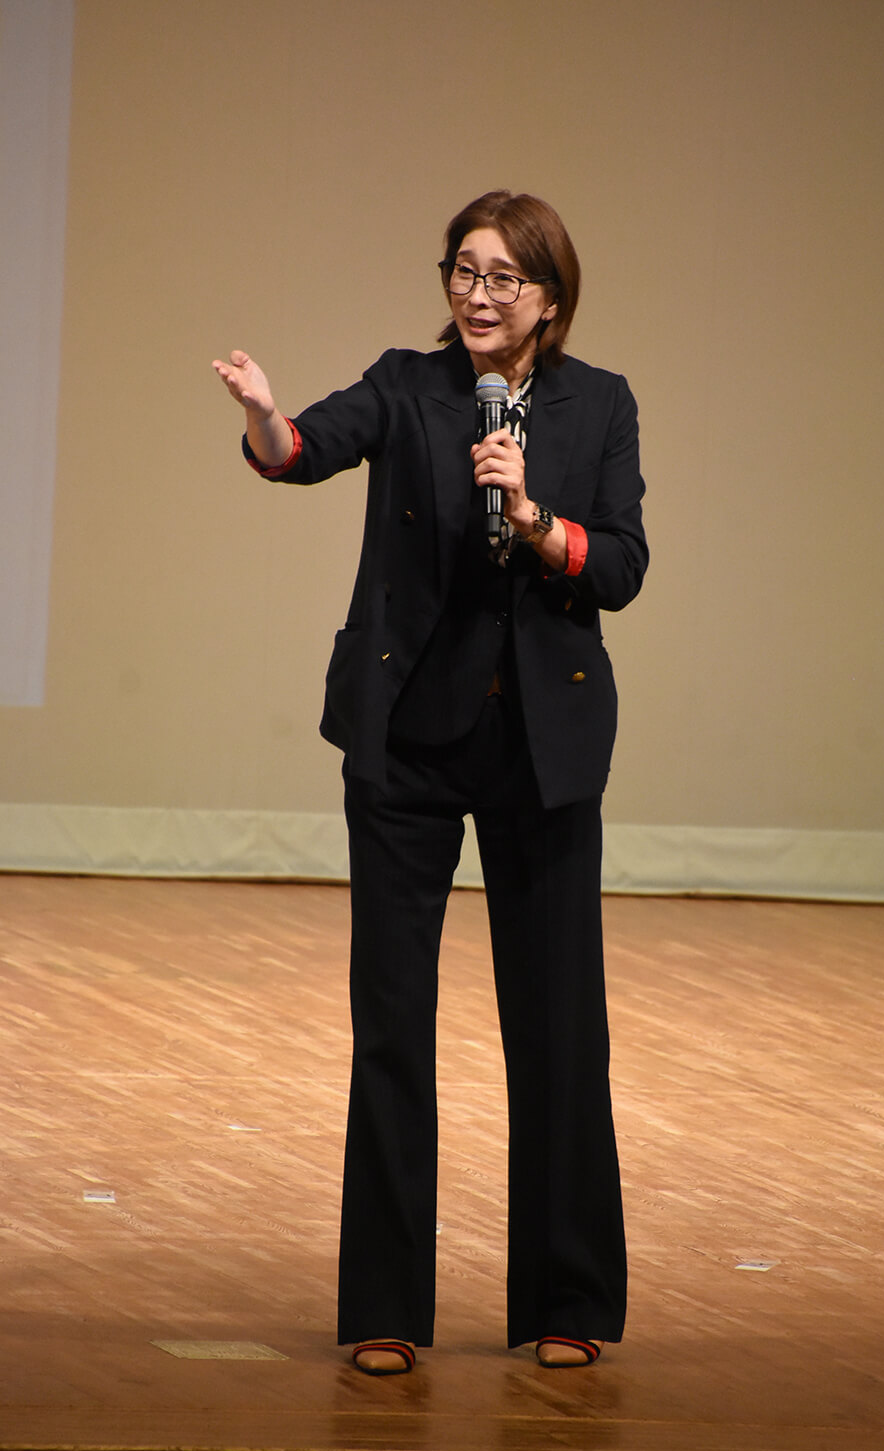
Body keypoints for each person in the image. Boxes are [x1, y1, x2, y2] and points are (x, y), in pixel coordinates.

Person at [213, 190, 647, 1374]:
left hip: (540, 747)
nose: (477, 294)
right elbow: (307, 450)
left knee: (559, 1031)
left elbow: (619, 562)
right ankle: (385, 1304)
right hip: (406, 739)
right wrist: (263, 418)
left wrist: (534, 511)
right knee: (392, 1024)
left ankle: (565, 1300)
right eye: (463, 269)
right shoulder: (405, 384)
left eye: (504, 277)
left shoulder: (596, 404)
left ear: (547, 299)